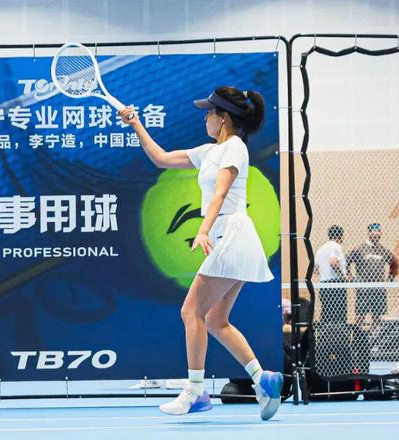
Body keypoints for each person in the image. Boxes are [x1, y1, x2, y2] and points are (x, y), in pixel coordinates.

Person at [119, 87, 282, 420]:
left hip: (232, 235)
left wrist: (203, 230)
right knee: (216, 320)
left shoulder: (234, 148)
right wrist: (135, 124)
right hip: (232, 240)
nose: (205, 117)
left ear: (223, 118)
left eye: (209, 112)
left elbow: (220, 194)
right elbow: (162, 159)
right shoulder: (209, 151)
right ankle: (262, 379)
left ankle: (195, 391)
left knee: (190, 311)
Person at [348, 223, 399, 331]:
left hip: (379, 289)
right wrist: (351, 278)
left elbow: (395, 263)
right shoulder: (360, 248)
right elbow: (346, 260)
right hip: (364, 289)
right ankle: (357, 337)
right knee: (360, 316)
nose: (376, 234)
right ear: (369, 233)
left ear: (381, 233)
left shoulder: (383, 249)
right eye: (373, 232)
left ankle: (373, 338)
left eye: (378, 232)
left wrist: (389, 279)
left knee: (377, 318)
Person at [314, 225, 348, 323]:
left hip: (324, 284)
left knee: (327, 312)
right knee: (339, 314)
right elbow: (333, 262)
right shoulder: (336, 246)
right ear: (340, 236)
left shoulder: (321, 249)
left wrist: (325, 271)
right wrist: (343, 276)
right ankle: (339, 331)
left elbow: (315, 270)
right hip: (335, 284)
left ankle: (324, 331)